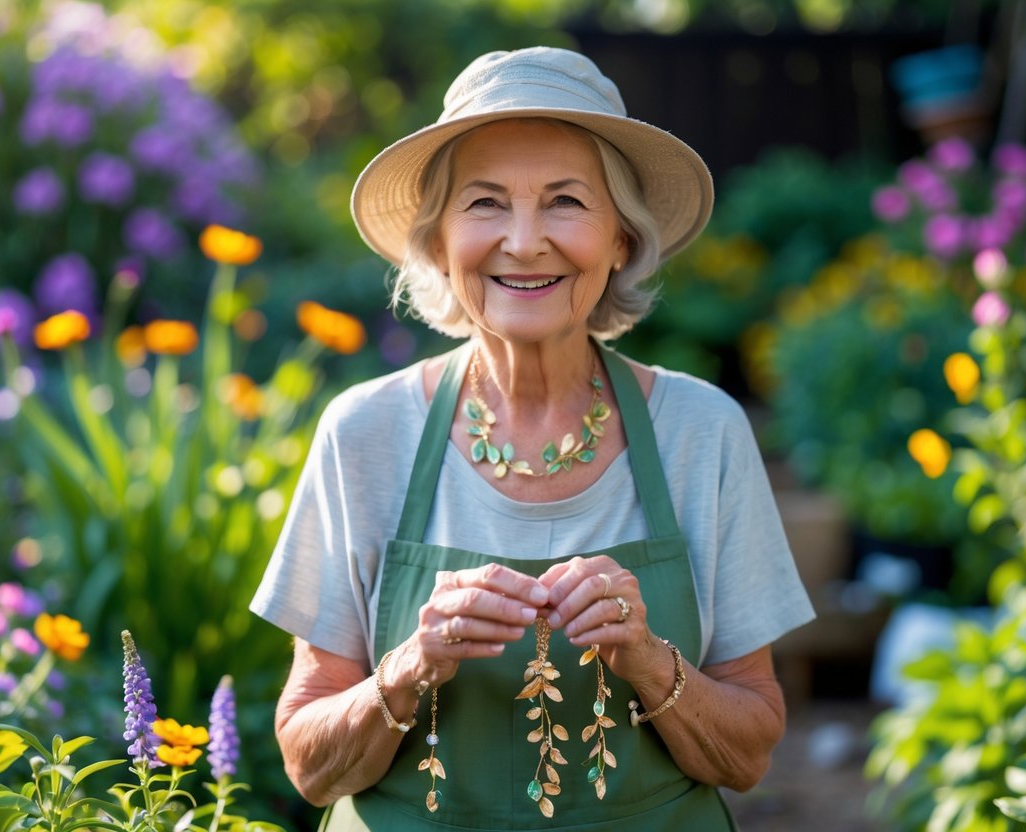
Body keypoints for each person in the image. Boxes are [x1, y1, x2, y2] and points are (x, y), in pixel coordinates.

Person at [250, 46, 815, 831]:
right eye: (483, 204)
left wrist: (650, 662)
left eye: (565, 201)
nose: (522, 241)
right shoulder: (365, 433)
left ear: (620, 238)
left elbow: (747, 755)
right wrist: (414, 666)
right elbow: (310, 768)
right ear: (439, 243)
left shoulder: (701, 432)